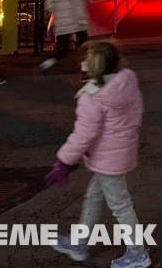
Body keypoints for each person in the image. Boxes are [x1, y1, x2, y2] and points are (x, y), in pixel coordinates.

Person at [46, 41, 149, 268]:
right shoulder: (127, 82)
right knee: (94, 197)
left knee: (120, 205)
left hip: (106, 158)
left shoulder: (92, 97)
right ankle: (80, 242)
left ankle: (138, 252)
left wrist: (64, 160)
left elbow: (84, 134)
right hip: (121, 151)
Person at [35, 0, 90, 77]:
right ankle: (86, 71)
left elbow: (49, 5)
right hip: (77, 21)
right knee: (84, 47)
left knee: (62, 49)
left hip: (62, 23)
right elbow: (80, 3)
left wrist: (59, 14)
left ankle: (46, 65)